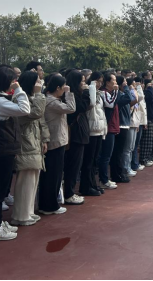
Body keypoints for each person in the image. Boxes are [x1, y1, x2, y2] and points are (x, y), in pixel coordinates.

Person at [0, 66, 32, 242]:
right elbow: (25, 109)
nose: (16, 82)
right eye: (14, 80)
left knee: (1, 189)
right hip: (2, 149)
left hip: (4, 148)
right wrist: (19, 90)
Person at [10, 71, 49, 227]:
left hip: (34, 142)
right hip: (25, 143)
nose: (40, 84)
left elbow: (41, 120)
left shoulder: (31, 98)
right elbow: (36, 113)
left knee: (33, 179)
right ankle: (20, 215)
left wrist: (45, 139)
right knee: (25, 181)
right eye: (37, 81)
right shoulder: (20, 99)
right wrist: (39, 95)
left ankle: (28, 211)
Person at [39, 75, 75, 215]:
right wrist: (69, 93)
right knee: (53, 175)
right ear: (58, 87)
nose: (65, 89)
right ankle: (50, 206)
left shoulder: (50, 99)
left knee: (52, 174)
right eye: (63, 86)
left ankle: (47, 204)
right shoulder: (52, 101)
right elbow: (71, 108)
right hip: (55, 141)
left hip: (55, 140)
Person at [63, 71, 91, 205]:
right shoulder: (71, 95)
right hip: (75, 134)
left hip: (79, 133)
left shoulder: (75, 94)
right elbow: (82, 107)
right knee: (72, 165)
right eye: (82, 81)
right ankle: (69, 193)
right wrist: (86, 92)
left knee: (76, 165)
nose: (84, 84)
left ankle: (70, 191)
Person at [80, 72, 107, 197]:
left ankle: (93, 184)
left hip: (99, 129)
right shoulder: (88, 92)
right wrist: (91, 87)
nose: (99, 84)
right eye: (97, 81)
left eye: (101, 81)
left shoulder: (99, 94)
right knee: (88, 161)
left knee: (94, 160)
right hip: (91, 130)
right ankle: (86, 186)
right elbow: (91, 104)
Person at [110, 76, 134, 184]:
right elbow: (129, 98)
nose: (126, 83)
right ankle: (117, 174)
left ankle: (119, 173)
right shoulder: (118, 95)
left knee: (120, 151)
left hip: (125, 124)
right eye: (124, 82)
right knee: (118, 152)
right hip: (120, 125)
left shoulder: (121, 94)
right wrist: (127, 88)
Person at [99, 72, 120, 191]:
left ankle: (105, 178)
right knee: (105, 155)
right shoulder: (104, 93)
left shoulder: (111, 93)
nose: (116, 83)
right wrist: (116, 92)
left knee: (108, 155)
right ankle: (103, 180)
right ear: (107, 82)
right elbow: (111, 104)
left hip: (112, 126)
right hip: (108, 127)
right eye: (114, 80)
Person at [140, 79, 153, 166]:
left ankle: (148, 156)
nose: (152, 86)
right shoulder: (146, 93)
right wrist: (149, 88)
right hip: (147, 119)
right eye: (150, 84)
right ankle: (144, 158)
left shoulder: (150, 92)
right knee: (146, 141)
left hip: (151, 118)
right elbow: (150, 99)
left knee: (150, 140)